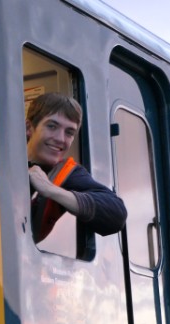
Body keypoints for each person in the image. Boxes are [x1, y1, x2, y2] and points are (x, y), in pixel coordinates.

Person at [26, 93, 127, 243]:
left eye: (69, 132)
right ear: (29, 127)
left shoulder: (66, 173)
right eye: (52, 126)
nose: (60, 138)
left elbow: (116, 213)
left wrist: (50, 189)